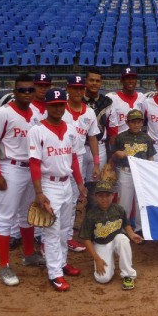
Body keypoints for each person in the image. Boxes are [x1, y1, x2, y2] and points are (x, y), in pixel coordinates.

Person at [0, 74, 45, 287]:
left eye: (30, 89)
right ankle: (4, 265)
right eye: (22, 90)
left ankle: (28, 254)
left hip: (31, 169)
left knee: (27, 214)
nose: (27, 93)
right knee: (5, 217)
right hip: (10, 167)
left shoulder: (37, 113)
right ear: (14, 91)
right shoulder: (3, 113)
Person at [28, 88, 87, 291]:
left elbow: (74, 159)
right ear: (47, 106)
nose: (58, 108)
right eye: (54, 105)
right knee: (52, 232)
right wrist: (38, 192)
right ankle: (55, 273)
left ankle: (61, 263)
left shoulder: (71, 129)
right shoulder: (37, 131)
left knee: (64, 230)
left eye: (61, 104)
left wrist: (80, 184)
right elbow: (34, 163)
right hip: (48, 184)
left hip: (66, 184)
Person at [10, 72, 52, 250]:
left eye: (45, 85)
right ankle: (13, 234)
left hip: (43, 160)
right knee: (16, 203)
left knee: (38, 199)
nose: (42, 88)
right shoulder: (26, 106)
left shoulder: (51, 106)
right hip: (21, 159)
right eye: (39, 85)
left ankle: (38, 235)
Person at [77, 180, 143, 290]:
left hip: (116, 239)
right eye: (101, 196)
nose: (104, 199)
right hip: (101, 244)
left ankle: (128, 275)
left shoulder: (118, 209)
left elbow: (125, 223)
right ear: (95, 197)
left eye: (107, 195)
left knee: (123, 239)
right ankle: (109, 261)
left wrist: (131, 234)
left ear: (113, 196)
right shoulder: (91, 214)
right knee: (103, 278)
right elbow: (86, 239)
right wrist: (97, 259)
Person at [62, 75, 101, 253]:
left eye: (80, 88)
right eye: (74, 88)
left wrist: (96, 163)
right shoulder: (59, 108)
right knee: (58, 200)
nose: (78, 91)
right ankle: (45, 236)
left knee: (73, 201)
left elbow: (92, 137)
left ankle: (68, 237)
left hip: (77, 158)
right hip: (59, 158)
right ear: (67, 89)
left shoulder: (89, 112)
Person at [110, 109, 156, 233]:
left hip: (142, 173)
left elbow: (150, 157)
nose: (136, 124)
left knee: (140, 202)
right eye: (133, 122)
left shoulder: (146, 138)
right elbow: (113, 155)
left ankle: (140, 228)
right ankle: (124, 229)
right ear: (127, 122)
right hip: (126, 171)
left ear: (142, 123)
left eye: (139, 122)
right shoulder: (121, 137)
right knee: (124, 202)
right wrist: (116, 154)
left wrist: (151, 173)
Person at [82, 68, 112, 183]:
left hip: (100, 147)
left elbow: (110, 129)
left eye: (97, 81)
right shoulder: (77, 100)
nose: (94, 83)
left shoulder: (107, 102)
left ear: (101, 83)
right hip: (81, 146)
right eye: (91, 80)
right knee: (77, 184)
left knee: (96, 185)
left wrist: (110, 154)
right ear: (85, 81)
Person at [106, 67, 146, 151]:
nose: (130, 81)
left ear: (136, 81)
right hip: (120, 143)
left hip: (138, 142)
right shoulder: (112, 98)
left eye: (133, 78)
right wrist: (114, 150)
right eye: (127, 78)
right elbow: (112, 128)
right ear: (122, 80)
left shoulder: (142, 97)